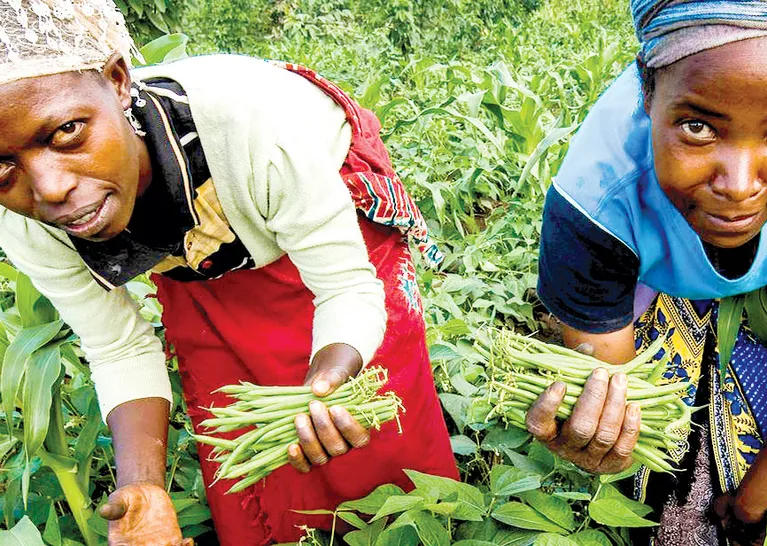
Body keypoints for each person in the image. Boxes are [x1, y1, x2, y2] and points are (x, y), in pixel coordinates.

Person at [0, 2, 458, 544]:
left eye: (69, 132)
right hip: (200, 256)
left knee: (368, 424)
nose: (50, 189)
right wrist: (143, 487)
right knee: (238, 427)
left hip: (313, 208)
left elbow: (346, 287)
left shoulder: (249, 125)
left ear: (119, 82)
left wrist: (327, 380)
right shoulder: (26, 220)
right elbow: (117, 347)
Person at [526, 1, 767, 545]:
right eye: (697, 126)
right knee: (656, 480)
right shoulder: (593, 203)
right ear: (646, 91)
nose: (738, 186)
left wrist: (754, 503)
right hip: (652, 271)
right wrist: (603, 448)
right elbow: (618, 397)